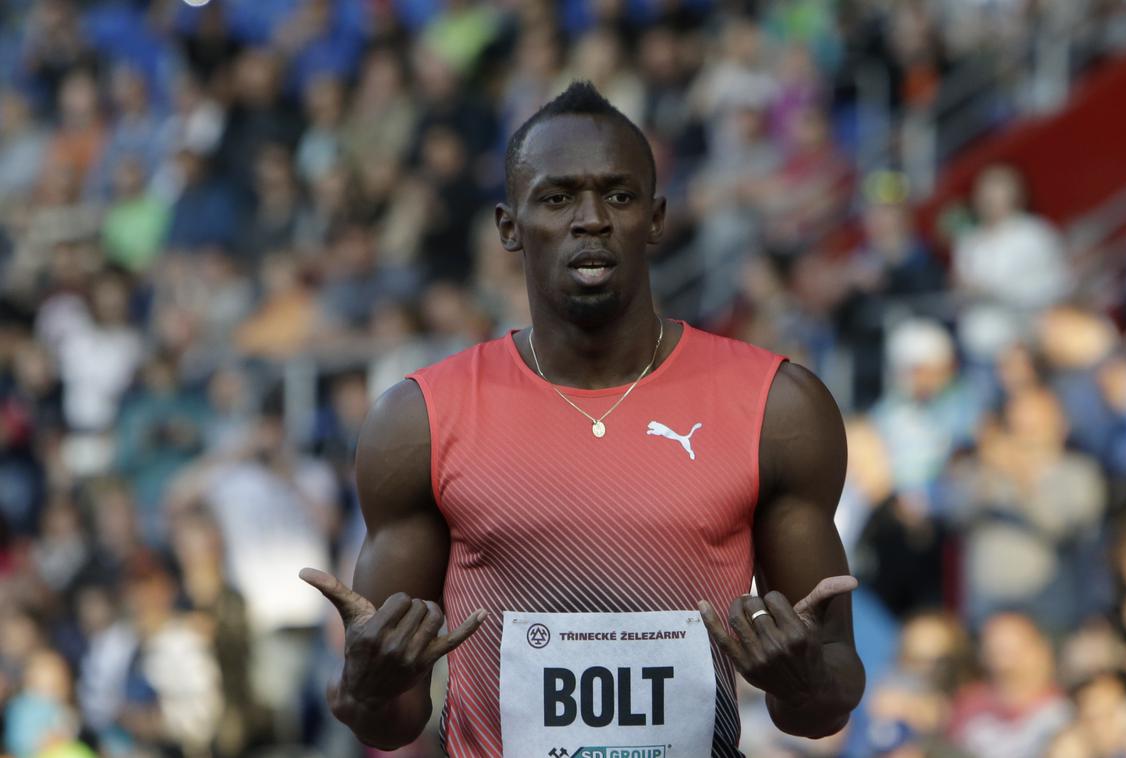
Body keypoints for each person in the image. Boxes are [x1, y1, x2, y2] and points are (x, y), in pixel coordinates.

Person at [300, 81, 864, 756]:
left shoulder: (778, 407)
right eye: (558, 196)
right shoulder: (418, 420)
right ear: (510, 227)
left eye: (619, 196)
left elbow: (825, 704)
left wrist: (800, 683)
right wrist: (365, 687)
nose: (591, 218)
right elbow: (386, 721)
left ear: (655, 219)